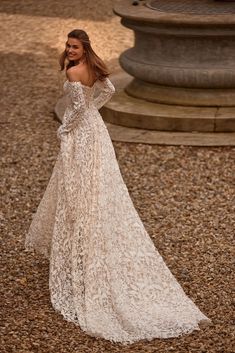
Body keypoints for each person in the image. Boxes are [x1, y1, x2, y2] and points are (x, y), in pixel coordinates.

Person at [25, 29, 211, 344]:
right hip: (96, 133)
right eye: (68, 45)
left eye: (74, 46)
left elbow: (74, 112)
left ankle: (84, 256)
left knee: (80, 193)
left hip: (81, 136)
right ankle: (87, 250)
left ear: (84, 49)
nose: (69, 50)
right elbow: (107, 89)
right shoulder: (94, 68)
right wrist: (91, 112)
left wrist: (65, 130)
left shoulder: (73, 72)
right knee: (99, 189)